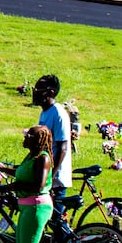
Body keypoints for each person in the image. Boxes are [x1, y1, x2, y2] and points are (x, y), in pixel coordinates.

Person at [32, 75, 73, 203]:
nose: (35, 92)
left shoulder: (58, 113)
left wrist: (51, 177)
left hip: (56, 179)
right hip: (45, 173)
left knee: (56, 219)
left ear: (51, 92)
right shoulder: (45, 112)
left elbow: (62, 148)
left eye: (39, 89)